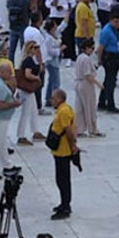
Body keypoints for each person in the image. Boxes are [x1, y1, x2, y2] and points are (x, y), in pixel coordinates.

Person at [0, 62, 22, 178]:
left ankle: (7, 165)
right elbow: (0, 105)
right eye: (9, 72)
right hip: (0, 118)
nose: (11, 75)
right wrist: (14, 103)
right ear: (2, 72)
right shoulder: (0, 86)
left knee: (1, 143)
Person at [47, 89, 79, 220]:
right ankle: (63, 203)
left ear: (60, 99)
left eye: (53, 98)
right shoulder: (62, 109)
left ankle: (66, 206)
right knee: (60, 179)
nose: (51, 100)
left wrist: (73, 146)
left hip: (63, 151)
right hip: (59, 150)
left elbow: (68, 131)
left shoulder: (64, 111)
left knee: (63, 179)